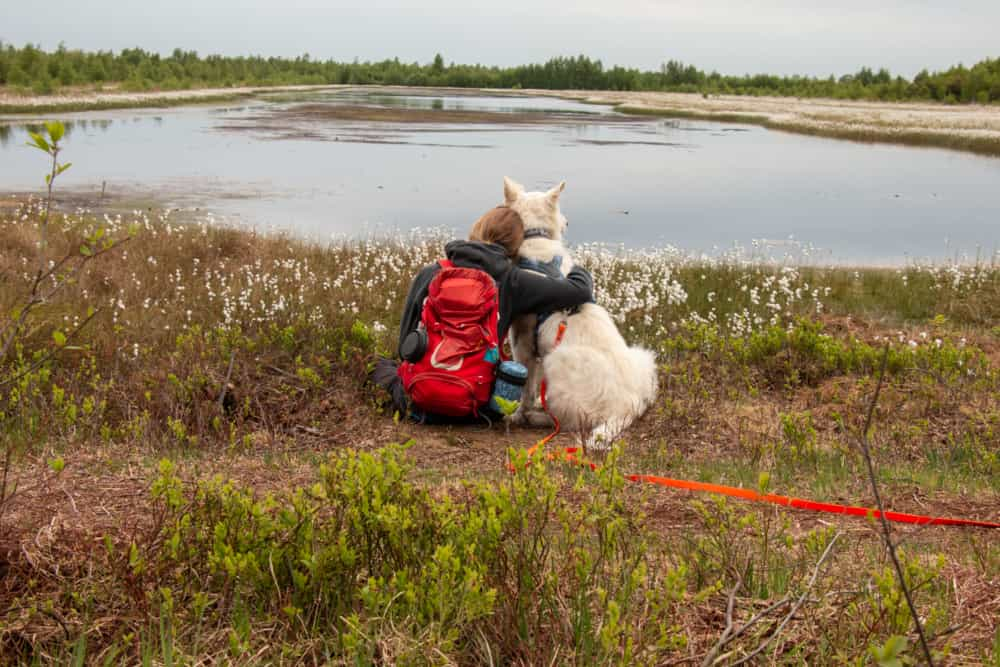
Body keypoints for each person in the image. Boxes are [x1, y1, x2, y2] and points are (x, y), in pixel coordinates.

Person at [372, 205, 594, 421]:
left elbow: (405, 346)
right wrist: (572, 264)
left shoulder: (433, 272)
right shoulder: (514, 280)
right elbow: (580, 291)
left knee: (378, 364)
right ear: (516, 247)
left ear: (477, 228)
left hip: (417, 397)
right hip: (480, 408)